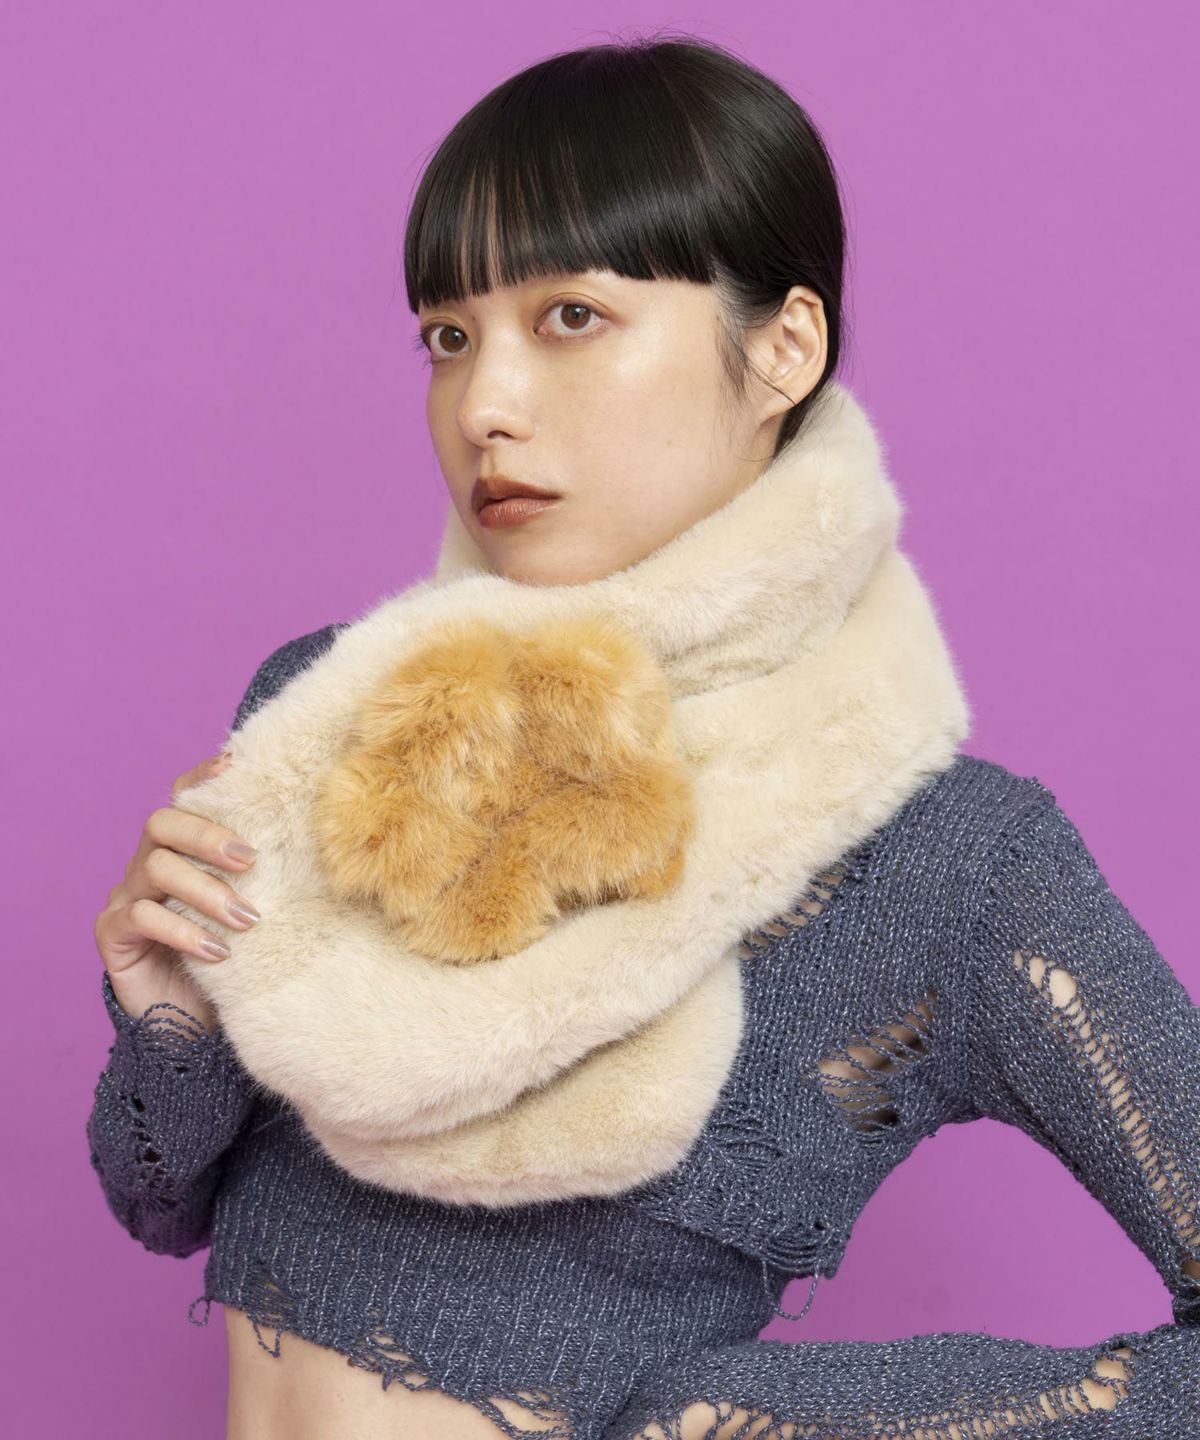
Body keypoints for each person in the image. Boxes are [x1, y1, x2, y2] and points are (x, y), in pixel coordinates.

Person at [86, 31, 1200, 1440]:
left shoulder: (948, 861)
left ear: (783, 350)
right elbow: (161, 1205)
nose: (483, 406)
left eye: (573, 317)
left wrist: (720, 1423)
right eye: (448, 337)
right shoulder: (336, 709)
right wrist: (170, 1016)